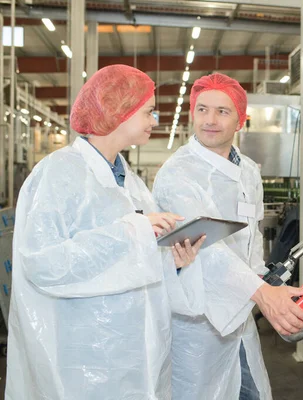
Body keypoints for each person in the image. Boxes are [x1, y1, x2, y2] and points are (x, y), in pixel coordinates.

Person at [5, 64, 204, 400]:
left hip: (136, 354)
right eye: (148, 112)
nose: (153, 121)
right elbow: (44, 263)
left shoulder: (130, 181)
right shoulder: (59, 173)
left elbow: (132, 263)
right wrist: (130, 231)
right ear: (118, 111)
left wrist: (175, 261)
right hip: (84, 359)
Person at [153, 73, 303, 400]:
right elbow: (207, 247)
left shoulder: (249, 170)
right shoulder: (176, 174)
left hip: (241, 310)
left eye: (222, 111)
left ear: (240, 120)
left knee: (248, 388)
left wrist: (267, 282)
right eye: (202, 109)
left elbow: (250, 236)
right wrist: (264, 294)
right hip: (198, 320)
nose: (209, 120)